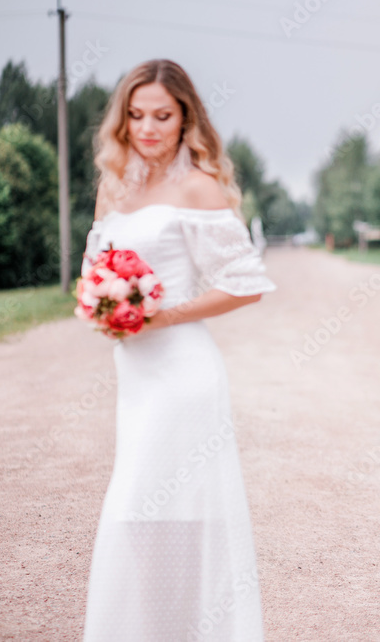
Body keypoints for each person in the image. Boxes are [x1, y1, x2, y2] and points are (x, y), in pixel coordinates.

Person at [81, 59, 272, 640]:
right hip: (134, 376)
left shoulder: (198, 185)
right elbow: (95, 270)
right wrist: (102, 305)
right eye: (136, 115)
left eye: (162, 115)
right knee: (138, 517)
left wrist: (161, 315)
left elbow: (245, 283)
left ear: (186, 117)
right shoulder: (114, 187)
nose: (148, 127)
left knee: (172, 513)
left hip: (184, 376)